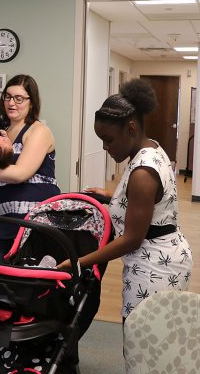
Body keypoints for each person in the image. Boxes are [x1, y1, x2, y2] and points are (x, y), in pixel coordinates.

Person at [57, 78, 193, 322]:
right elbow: (152, 202)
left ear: (131, 128)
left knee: (142, 346)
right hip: (165, 257)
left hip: (155, 269)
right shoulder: (151, 148)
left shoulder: (142, 173)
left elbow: (131, 239)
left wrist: (77, 263)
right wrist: (111, 196)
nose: (105, 147)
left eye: (108, 139)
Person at [0, 74, 60, 259]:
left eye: (19, 98)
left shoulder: (38, 131)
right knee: (2, 281)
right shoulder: (3, 134)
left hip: (33, 226)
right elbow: (3, 181)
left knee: (29, 282)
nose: (11, 103)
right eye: (8, 96)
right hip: (3, 222)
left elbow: (20, 174)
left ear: (32, 102)